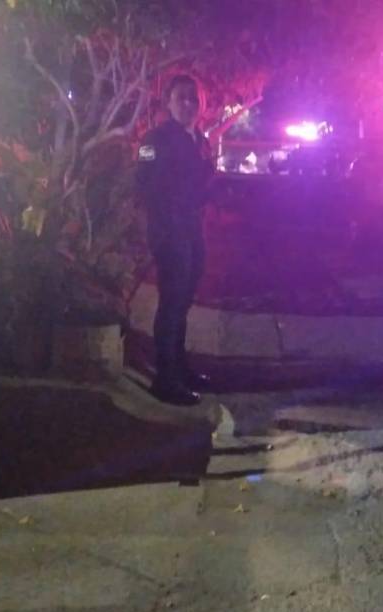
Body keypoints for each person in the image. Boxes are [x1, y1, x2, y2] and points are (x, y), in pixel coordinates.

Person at [135, 75, 215, 405]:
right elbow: (143, 183)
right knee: (171, 303)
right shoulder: (154, 139)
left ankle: (180, 369)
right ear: (168, 102)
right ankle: (165, 380)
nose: (188, 104)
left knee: (183, 301)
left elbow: (203, 183)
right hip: (169, 230)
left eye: (193, 98)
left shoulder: (201, 140)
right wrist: (163, 223)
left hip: (192, 227)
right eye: (181, 97)